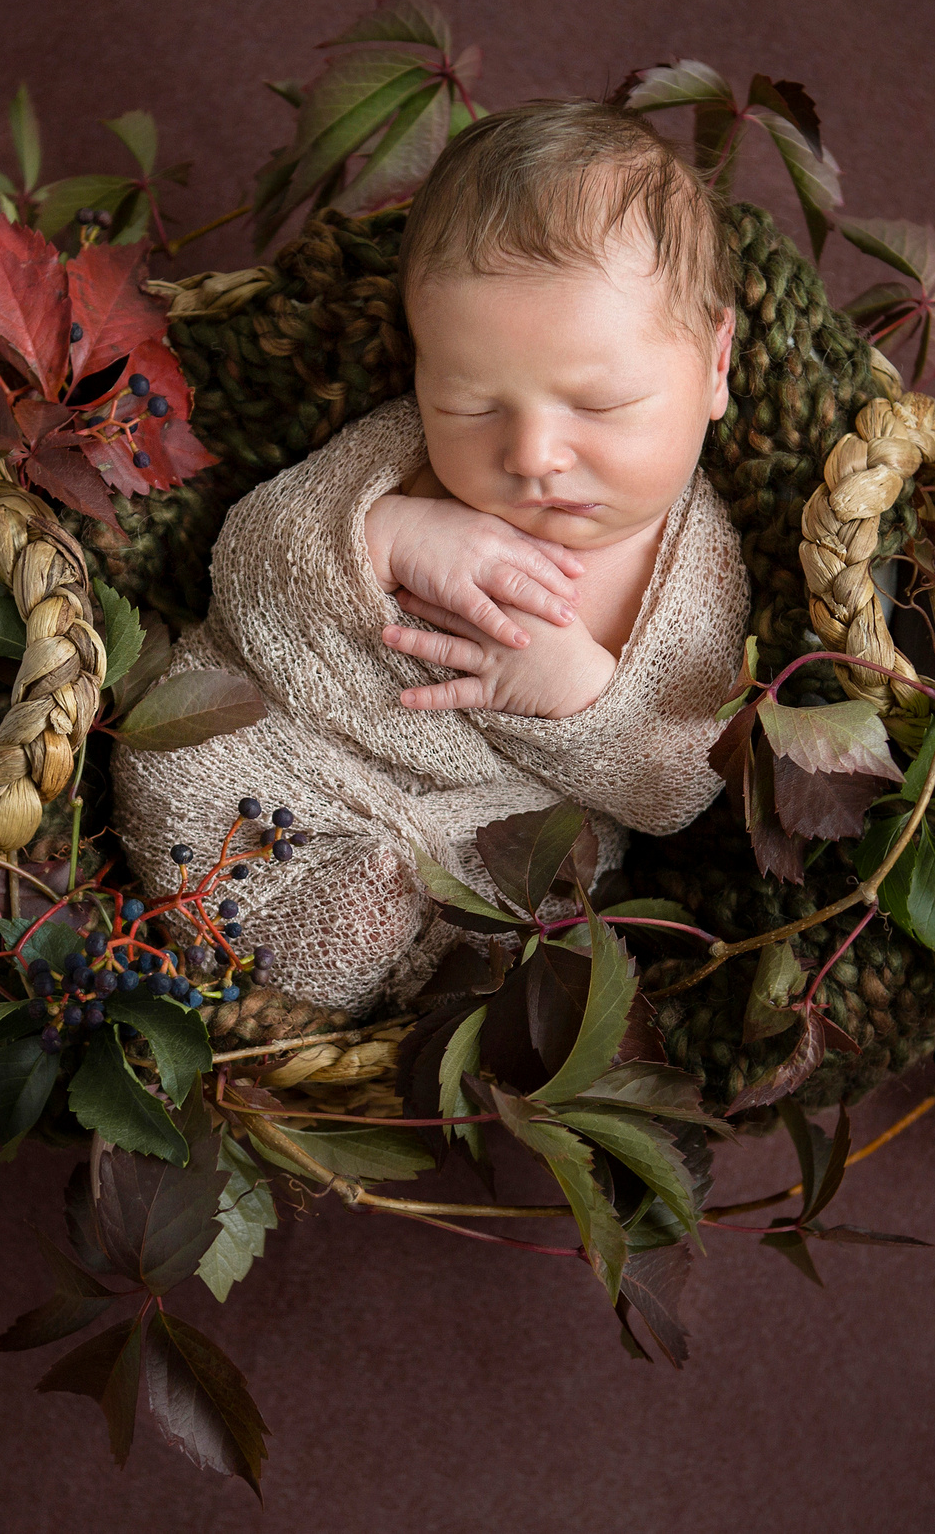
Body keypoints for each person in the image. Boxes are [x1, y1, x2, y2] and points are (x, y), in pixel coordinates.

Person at [110, 99, 752, 1014]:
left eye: (599, 405)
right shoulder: (401, 459)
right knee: (170, 745)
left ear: (715, 364)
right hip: (296, 747)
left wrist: (582, 696)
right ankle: (276, 949)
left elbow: (678, 786)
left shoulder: (695, 572)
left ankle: (374, 977)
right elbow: (246, 566)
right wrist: (380, 535)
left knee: (535, 923)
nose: (531, 455)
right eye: (472, 405)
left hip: (478, 837)